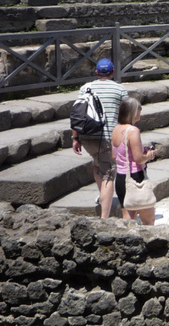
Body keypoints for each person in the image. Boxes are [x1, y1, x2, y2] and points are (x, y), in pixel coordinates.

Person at [71, 58, 128, 218]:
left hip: (87, 135)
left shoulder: (85, 88)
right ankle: (104, 217)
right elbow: (126, 116)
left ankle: (103, 195)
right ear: (112, 72)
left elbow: (77, 113)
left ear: (96, 72)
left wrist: (75, 138)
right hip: (108, 137)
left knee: (97, 166)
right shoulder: (120, 90)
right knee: (109, 173)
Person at [110, 96, 158, 225]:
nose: (140, 112)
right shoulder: (133, 131)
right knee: (148, 220)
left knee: (128, 219)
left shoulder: (116, 129)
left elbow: (114, 156)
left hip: (121, 178)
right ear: (134, 112)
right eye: (139, 109)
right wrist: (149, 154)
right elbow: (138, 159)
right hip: (135, 176)